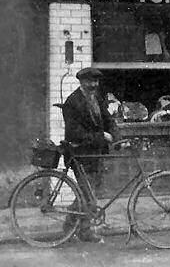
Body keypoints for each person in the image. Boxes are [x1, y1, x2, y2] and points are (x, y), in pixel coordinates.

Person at [61, 67, 120, 242]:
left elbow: (108, 119)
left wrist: (117, 138)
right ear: (81, 82)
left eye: (96, 81)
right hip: (79, 155)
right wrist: (101, 136)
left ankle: (73, 225)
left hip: (95, 154)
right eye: (90, 81)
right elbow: (75, 133)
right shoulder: (73, 102)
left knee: (88, 193)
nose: (94, 84)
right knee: (88, 194)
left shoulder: (97, 98)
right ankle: (82, 230)